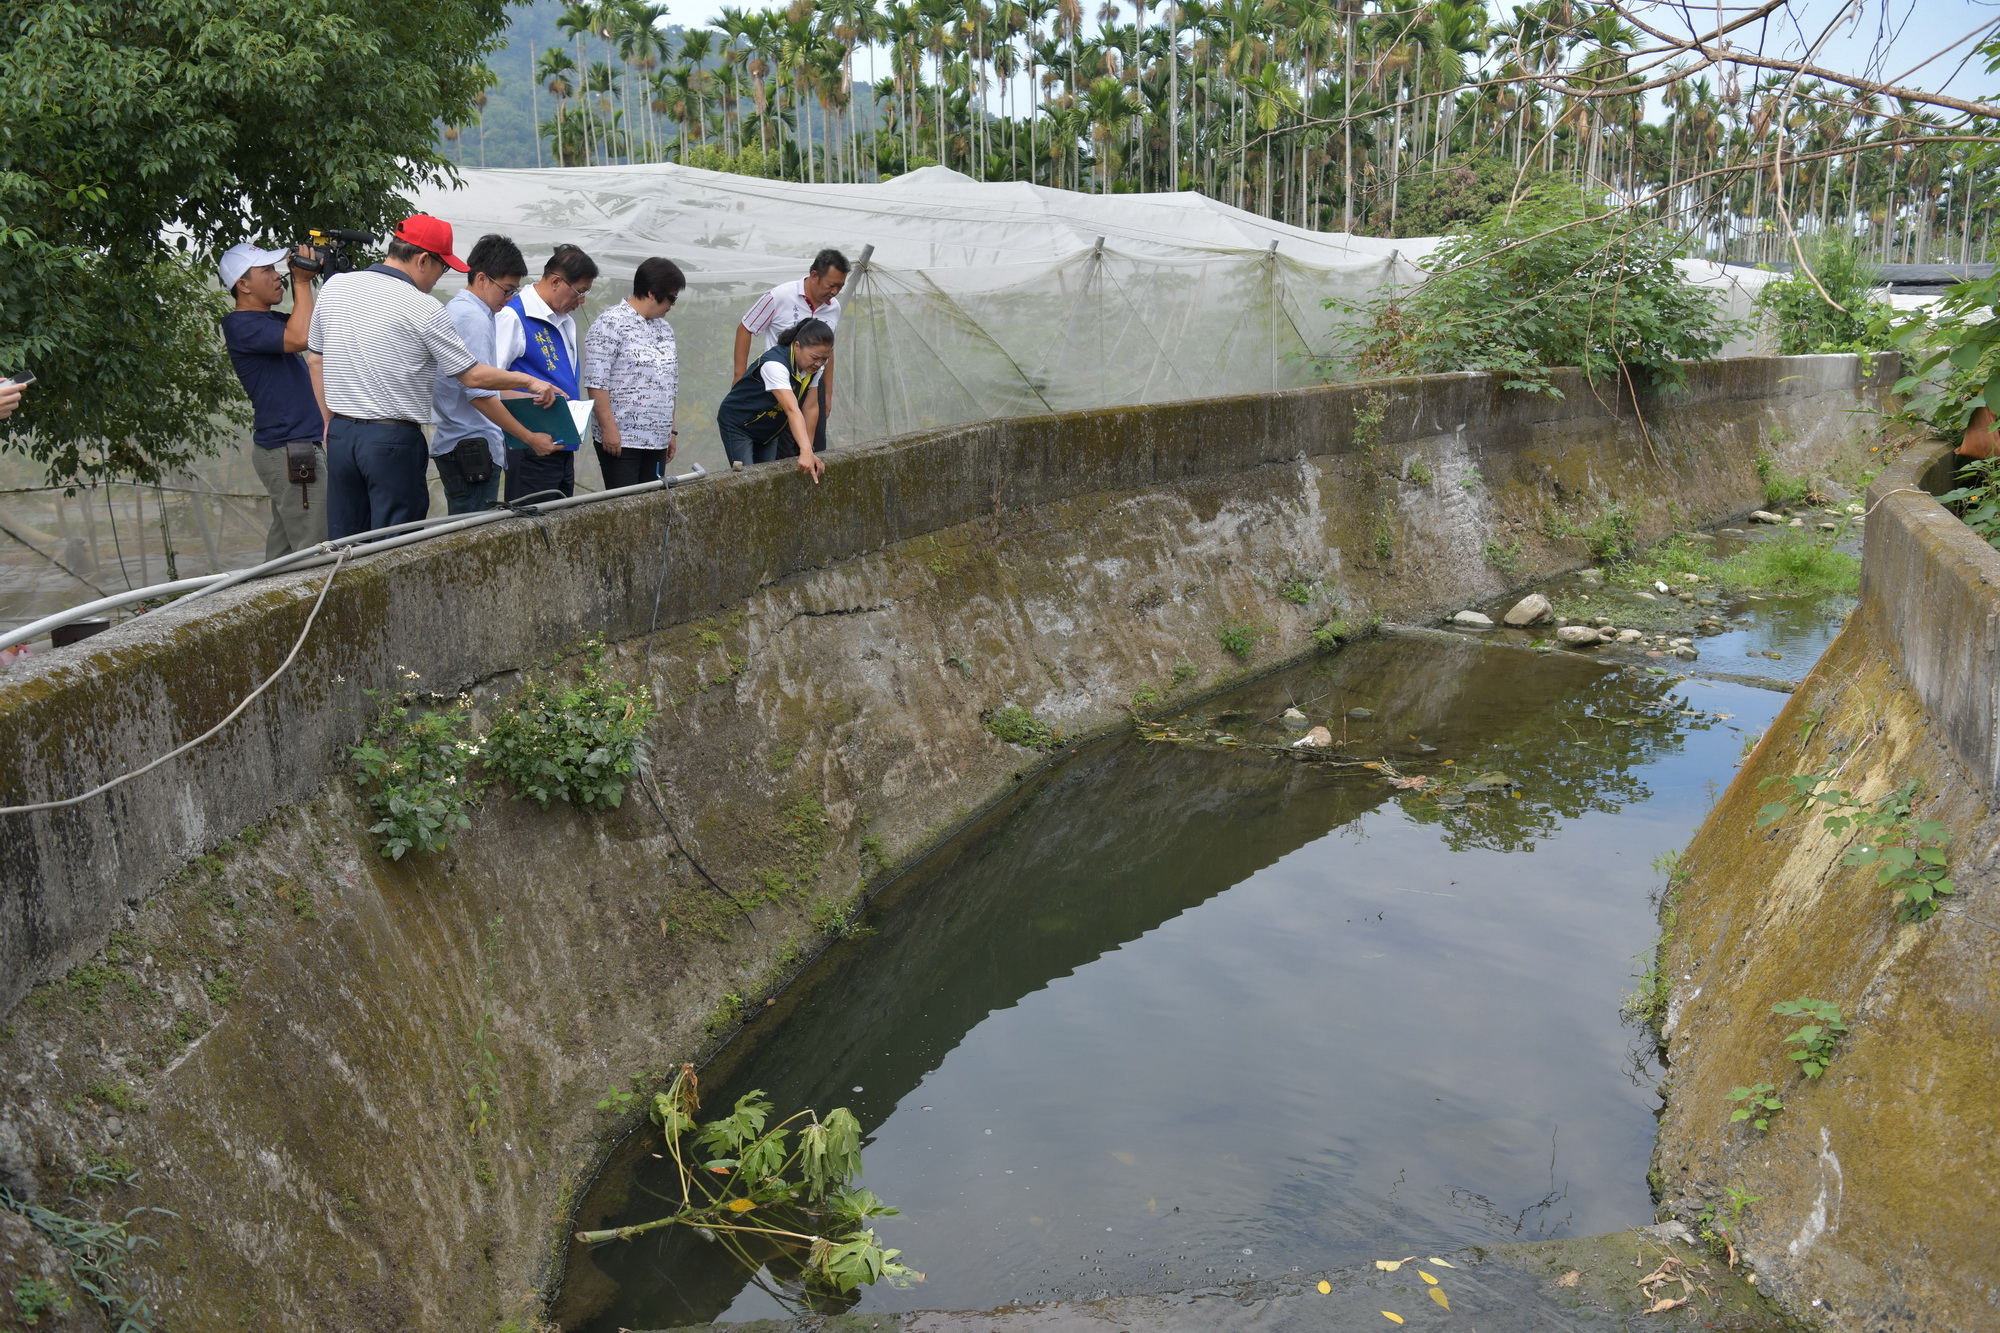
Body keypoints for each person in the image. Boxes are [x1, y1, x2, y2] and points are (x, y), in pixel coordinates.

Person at [309, 214, 561, 540]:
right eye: (442, 268)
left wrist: (330, 423)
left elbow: (316, 359)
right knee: (393, 547)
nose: (440, 278)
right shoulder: (423, 307)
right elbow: (471, 376)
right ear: (423, 259)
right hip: (391, 442)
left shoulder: (336, 286)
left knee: (346, 544)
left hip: (342, 434)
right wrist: (527, 380)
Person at [432, 234, 560, 514]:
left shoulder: (468, 311)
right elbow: (478, 392)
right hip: (471, 447)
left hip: (465, 443)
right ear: (481, 279)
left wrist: (533, 388)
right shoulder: (472, 318)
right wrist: (529, 437)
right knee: (470, 537)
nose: (510, 298)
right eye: (506, 289)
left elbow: (484, 383)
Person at [219, 241, 328, 557]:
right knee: (314, 549)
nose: (277, 275)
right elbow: (300, 337)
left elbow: (309, 326)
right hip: (290, 448)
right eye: (266, 269)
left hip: (294, 447)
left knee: (284, 553)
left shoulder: (268, 321)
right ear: (243, 285)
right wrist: (302, 281)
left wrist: (316, 276)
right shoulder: (242, 325)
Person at [496, 244, 597, 502]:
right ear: (555, 281)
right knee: (532, 526)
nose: (581, 300)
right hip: (531, 445)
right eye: (580, 291)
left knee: (561, 526)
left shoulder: (565, 321)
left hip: (562, 445)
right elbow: (489, 382)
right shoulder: (513, 316)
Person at [734, 249, 847, 457]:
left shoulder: (834, 308)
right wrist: (739, 377)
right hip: (781, 384)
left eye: (840, 286)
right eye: (831, 285)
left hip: (812, 384)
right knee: (783, 451)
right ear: (814, 276)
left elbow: (828, 351)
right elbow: (746, 327)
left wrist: (828, 393)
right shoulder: (779, 297)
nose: (835, 292)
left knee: (814, 448)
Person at [584, 257, 684, 490]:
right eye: (671, 297)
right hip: (622, 440)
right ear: (652, 293)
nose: (672, 305)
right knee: (625, 508)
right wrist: (609, 429)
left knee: (654, 507)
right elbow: (596, 383)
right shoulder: (610, 323)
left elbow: (671, 384)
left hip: (657, 439)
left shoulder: (665, 329)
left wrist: (671, 430)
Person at [716, 318, 833, 482]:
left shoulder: (814, 367)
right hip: (739, 424)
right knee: (749, 480)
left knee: (769, 479)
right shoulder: (775, 365)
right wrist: (804, 450)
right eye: (815, 357)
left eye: (824, 359)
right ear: (797, 346)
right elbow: (792, 409)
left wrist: (809, 450)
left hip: (769, 429)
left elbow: (811, 407)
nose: (819, 364)